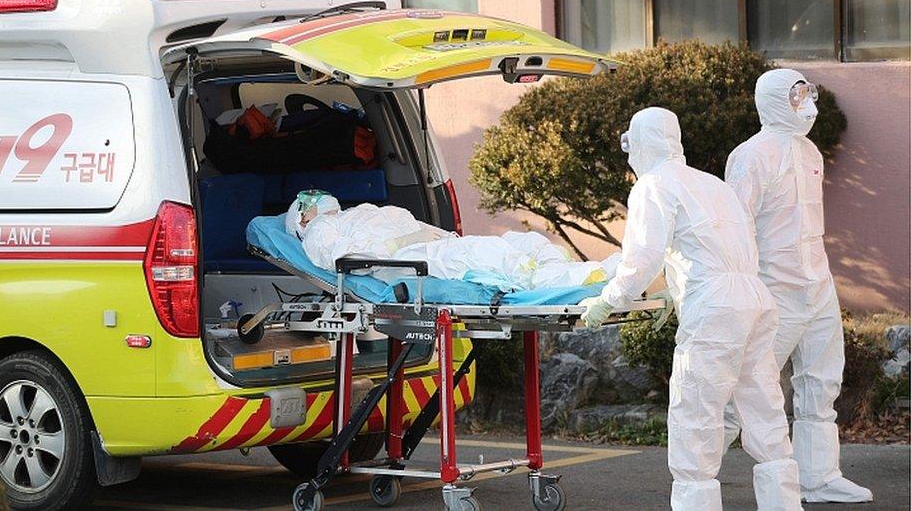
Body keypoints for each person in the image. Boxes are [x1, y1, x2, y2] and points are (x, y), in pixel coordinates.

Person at [579, 107, 802, 511]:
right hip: (754, 299)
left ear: (641, 142)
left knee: (696, 410)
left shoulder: (653, 184)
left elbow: (641, 260)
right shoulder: (711, 183)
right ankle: (784, 505)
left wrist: (608, 301)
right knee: (763, 405)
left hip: (715, 311)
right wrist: (675, 291)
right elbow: (722, 248)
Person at [723, 68, 873, 503]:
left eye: (807, 94)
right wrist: (744, 287)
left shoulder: (810, 151)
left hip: (817, 280)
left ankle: (819, 476)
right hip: (774, 285)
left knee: (822, 378)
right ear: (772, 100)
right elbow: (738, 224)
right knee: (751, 380)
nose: (806, 104)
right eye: (796, 96)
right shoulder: (750, 156)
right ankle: (699, 470)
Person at [284, 190, 619, 291]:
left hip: (431, 243)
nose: (319, 198)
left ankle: (574, 270)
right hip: (408, 260)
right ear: (302, 216)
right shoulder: (318, 231)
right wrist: (393, 249)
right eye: (310, 200)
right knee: (492, 253)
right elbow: (343, 259)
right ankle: (575, 280)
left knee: (522, 240)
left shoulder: (355, 212)